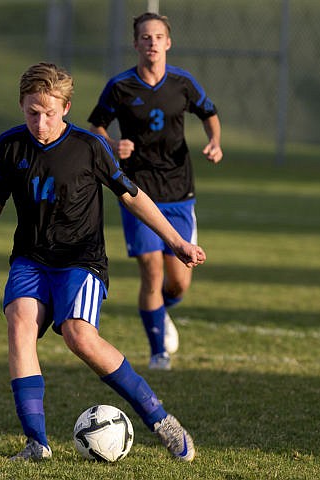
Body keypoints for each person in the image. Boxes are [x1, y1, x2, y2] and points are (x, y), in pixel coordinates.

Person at [0, 62, 201, 462]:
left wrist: (175, 240)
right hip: (31, 259)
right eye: (32, 112)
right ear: (21, 105)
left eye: (49, 113)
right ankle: (36, 442)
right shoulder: (9, 146)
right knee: (19, 323)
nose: (40, 122)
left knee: (78, 334)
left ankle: (162, 421)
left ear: (67, 108)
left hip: (81, 261)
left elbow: (132, 195)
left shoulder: (90, 147)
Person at [88, 12, 223, 371]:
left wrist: (215, 142)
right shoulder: (120, 86)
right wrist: (112, 143)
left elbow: (209, 113)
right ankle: (157, 353)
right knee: (151, 271)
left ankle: (163, 312)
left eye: (158, 37)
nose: (151, 43)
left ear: (168, 42)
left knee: (178, 282)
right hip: (136, 190)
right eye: (145, 38)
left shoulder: (183, 82)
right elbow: (96, 126)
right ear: (135, 44)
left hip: (179, 190)